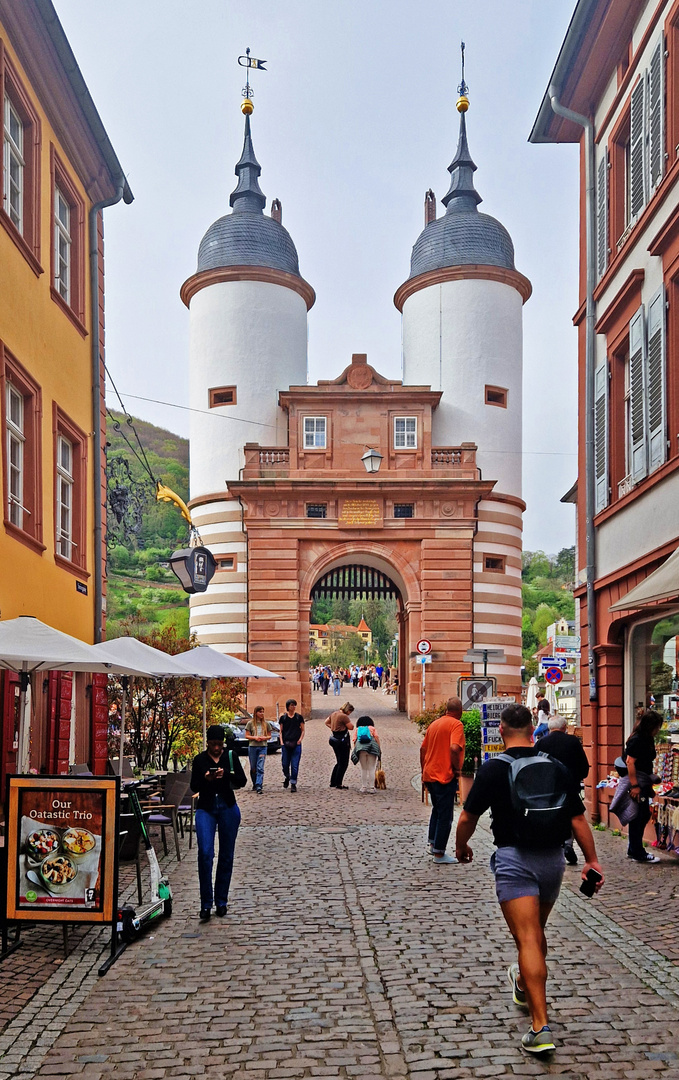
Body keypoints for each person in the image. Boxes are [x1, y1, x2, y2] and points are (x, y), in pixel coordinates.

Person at [455, 703, 604, 1055]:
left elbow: (467, 818)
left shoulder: (494, 769)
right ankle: (523, 982)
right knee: (535, 934)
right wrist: (592, 860)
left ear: (503, 731)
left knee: (528, 940)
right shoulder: (556, 767)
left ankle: (540, 1028)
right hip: (553, 861)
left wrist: (461, 847)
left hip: (515, 860)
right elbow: (579, 820)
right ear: (532, 731)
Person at [190, 724, 246, 921]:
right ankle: (206, 903)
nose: (216, 748)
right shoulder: (199, 760)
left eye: (219, 744)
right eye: (213, 744)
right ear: (208, 743)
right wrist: (206, 777)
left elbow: (242, 780)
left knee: (226, 856)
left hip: (228, 808)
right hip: (206, 808)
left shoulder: (230, 756)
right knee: (205, 854)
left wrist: (226, 775)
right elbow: (193, 786)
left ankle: (221, 901)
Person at [539, 714, 590, 865]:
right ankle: (568, 843)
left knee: (551, 815)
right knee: (573, 816)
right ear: (564, 728)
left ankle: (554, 846)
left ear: (549, 728)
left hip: (548, 789)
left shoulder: (541, 743)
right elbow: (584, 767)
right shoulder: (573, 741)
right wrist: (577, 778)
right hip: (570, 787)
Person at [420, 697, 465, 865]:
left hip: (430, 773)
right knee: (445, 814)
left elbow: (422, 749)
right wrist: (457, 769)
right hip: (444, 774)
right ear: (459, 711)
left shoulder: (434, 724)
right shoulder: (456, 725)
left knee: (437, 810)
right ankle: (439, 853)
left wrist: (423, 769)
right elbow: (454, 748)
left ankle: (433, 843)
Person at [624, 709, 663, 863]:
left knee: (642, 815)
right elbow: (630, 762)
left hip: (644, 781)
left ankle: (633, 848)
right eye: (657, 726)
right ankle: (637, 852)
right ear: (649, 726)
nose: (658, 730)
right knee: (638, 816)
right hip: (637, 782)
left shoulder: (647, 738)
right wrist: (634, 786)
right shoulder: (638, 740)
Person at [325, 702, 355, 789]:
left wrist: (333, 727)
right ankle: (339, 783)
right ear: (347, 710)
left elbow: (326, 722)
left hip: (334, 738)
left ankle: (333, 781)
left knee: (339, 761)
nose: (349, 714)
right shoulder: (343, 716)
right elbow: (351, 727)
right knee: (343, 763)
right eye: (350, 712)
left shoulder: (334, 713)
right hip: (342, 740)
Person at [244, 706, 271, 794]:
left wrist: (264, 738)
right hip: (253, 747)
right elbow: (247, 735)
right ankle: (255, 783)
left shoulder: (266, 724)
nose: (262, 713)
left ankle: (259, 784)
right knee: (253, 767)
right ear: (256, 713)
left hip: (262, 747)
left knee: (260, 767)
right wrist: (254, 737)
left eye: (263, 712)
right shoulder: (250, 723)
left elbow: (269, 736)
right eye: (260, 712)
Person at [280, 699, 305, 792]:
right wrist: (281, 742)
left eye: (294, 705)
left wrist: (300, 740)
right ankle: (287, 777)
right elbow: (281, 731)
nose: (293, 707)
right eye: (291, 705)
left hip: (296, 743)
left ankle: (293, 782)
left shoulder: (299, 717)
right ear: (288, 707)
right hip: (286, 743)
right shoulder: (283, 718)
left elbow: (302, 730)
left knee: (295, 765)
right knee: (285, 764)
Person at [351, 715, 381, 792]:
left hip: (361, 749)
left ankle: (363, 787)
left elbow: (354, 740)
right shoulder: (372, 729)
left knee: (363, 768)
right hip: (372, 749)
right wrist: (379, 748)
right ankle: (371, 787)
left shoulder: (358, 729)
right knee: (371, 768)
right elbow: (376, 737)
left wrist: (356, 749)